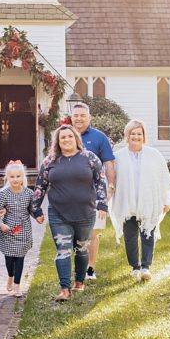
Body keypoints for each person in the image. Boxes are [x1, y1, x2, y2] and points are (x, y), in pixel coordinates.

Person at [32, 124, 107, 301]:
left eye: (70, 136)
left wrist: (102, 204)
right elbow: (40, 185)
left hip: (86, 212)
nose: (66, 140)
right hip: (58, 213)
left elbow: (101, 180)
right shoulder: (49, 161)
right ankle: (65, 289)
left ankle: (79, 282)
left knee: (81, 248)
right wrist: (36, 209)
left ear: (76, 139)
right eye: (62, 137)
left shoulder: (89, 157)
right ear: (57, 141)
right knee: (63, 250)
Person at [108, 119, 170, 281]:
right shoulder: (118, 157)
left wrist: (167, 200)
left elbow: (163, 178)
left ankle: (146, 267)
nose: (136, 137)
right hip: (127, 203)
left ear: (144, 136)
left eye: (139, 134)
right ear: (127, 135)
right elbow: (111, 180)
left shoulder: (154, 155)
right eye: (133, 133)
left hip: (148, 202)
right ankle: (135, 267)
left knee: (147, 233)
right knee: (130, 237)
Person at [70, 101, 116, 280]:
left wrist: (110, 185)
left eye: (83, 115)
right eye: (76, 115)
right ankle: (77, 266)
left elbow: (108, 163)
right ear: (71, 118)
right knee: (73, 232)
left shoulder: (99, 137)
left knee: (92, 232)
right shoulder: (65, 135)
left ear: (89, 118)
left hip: (95, 192)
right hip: (70, 193)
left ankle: (90, 268)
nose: (79, 119)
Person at [0, 160, 38, 298]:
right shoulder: (3, 194)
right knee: (9, 259)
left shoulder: (29, 193)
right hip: (8, 230)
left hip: (24, 230)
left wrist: (38, 216)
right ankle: (10, 276)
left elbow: (32, 209)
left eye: (18, 176)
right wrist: (1, 224)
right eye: (12, 177)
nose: (15, 179)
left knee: (19, 258)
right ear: (7, 177)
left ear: (23, 176)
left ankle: (17, 286)